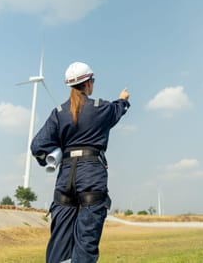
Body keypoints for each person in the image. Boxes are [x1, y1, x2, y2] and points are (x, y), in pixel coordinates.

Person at [31, 61, 130, 263]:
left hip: (65, 179)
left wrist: (55, 155)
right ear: (88, 84)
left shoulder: (58, 113)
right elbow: (117, 109)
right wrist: (123, 99)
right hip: (91, 177)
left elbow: (37, 146)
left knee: (59, 245)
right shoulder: (100, 108)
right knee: (86, 243)